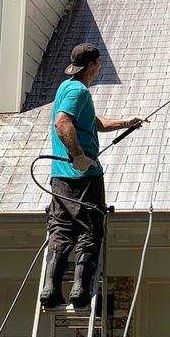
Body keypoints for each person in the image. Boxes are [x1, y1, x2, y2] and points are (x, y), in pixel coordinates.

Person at [40, 43, 144, 310]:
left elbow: (93, 123)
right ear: (92, 66)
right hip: (84, 176)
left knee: (62, 230)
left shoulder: (66, 87)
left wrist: (125, 122)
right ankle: (80, 291)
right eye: (99, 63)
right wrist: (78, 156)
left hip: (60, 178)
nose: (100, 67)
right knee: (90, 230)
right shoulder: (78, 90)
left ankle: (50, 291)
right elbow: (62, 122)